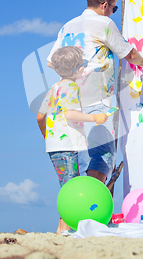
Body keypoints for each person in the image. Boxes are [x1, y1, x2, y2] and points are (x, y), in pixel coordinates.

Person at [47, 0, 143, 185]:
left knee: (81, 157)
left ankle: (79, 207)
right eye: (114, 8)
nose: (112, 12)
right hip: (96, 100)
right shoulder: (103, 24)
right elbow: (128, 53)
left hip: (69, 101)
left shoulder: (67, 26)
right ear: (104, 5)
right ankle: (91, 206)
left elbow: (51, 62)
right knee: (102, 155)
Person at [37, 46, 108, 234]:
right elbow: (70, 114)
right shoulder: (71, 87)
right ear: (77, 70)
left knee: (66, 183)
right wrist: (95, 118)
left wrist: (47, 136)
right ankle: (65, 229)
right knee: (71, 186)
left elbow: (39, 117)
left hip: (54, 146)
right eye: (82, 67)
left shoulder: (53, 88)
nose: (84, 70)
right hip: (69, 145)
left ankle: (63, 227)